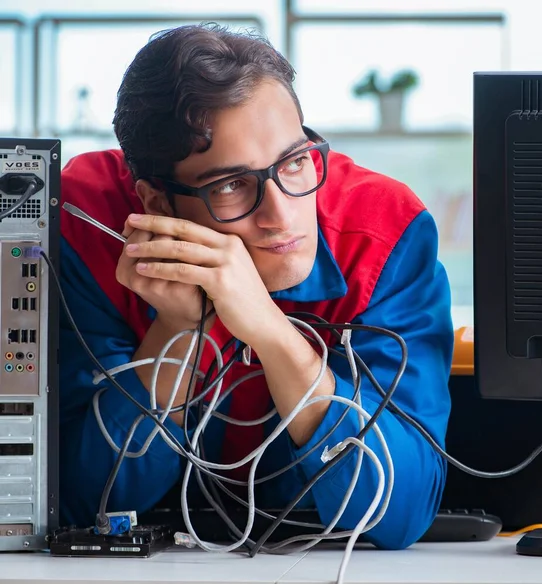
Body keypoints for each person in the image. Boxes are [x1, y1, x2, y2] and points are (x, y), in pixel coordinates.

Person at [58, 23, 453, 550]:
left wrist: (274, 335)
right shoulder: (84, 225)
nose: (281, 214)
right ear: (155, 204)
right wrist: (176, 330)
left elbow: (399, 515)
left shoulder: (384, 233)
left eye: (294, 161)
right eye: (231, 185)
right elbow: (88, 504)